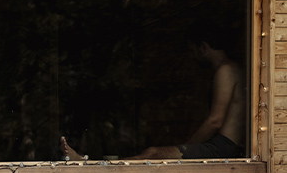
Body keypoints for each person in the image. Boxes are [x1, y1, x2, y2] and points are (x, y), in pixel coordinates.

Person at [61, 26, 246, 161]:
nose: (192, 57)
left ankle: (91, 165)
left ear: (203, 47)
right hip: (225, 144)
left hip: (223, 146)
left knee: (153, 154)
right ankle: (94, 164)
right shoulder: (232, 69)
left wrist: (187, 147)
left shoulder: (226, 70)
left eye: (193, 51)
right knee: (155, 153)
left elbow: (215, 120)